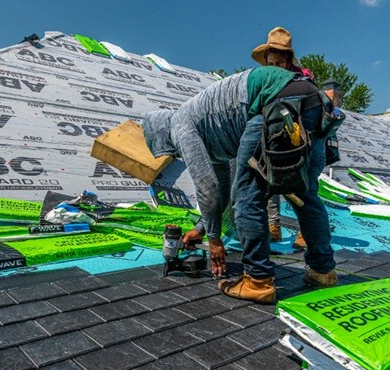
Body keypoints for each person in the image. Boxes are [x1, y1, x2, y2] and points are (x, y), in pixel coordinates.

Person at [142, 66, 338, 304]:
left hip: (274, 103)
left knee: (246, 197)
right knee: (304, 193)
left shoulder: (180, 126)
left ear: (161, 136)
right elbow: (220, 185)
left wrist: (214, 240)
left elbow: (207, 188)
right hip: (313, 101)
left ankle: (258, 281)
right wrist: (202, 229)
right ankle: (323, 271)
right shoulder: (209, 128)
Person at [250, 26, 312, 247]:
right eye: (271, 64)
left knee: (303, 186)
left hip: (299, 142)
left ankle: (306, 232)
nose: (275, 68)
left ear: (288, 61)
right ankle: (273, 227)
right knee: (270, 183)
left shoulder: (302, 80)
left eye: (280, 63)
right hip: (273, 141)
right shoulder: (263, 82)